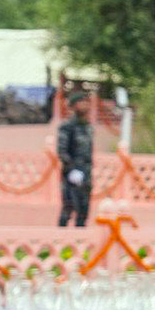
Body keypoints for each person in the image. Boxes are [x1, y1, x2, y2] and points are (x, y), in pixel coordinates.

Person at [57, 92, 94, 227]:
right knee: (68, 208)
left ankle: (80, 242)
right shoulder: (67, 127)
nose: (84, 105)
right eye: (81, 102)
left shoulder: (88, 127)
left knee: (84, 210)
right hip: (71, 176)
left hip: (86, 174)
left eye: (86, 102)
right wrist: (72, 170)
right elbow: (62, 151)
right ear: (73, 106)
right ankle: (60, 240)